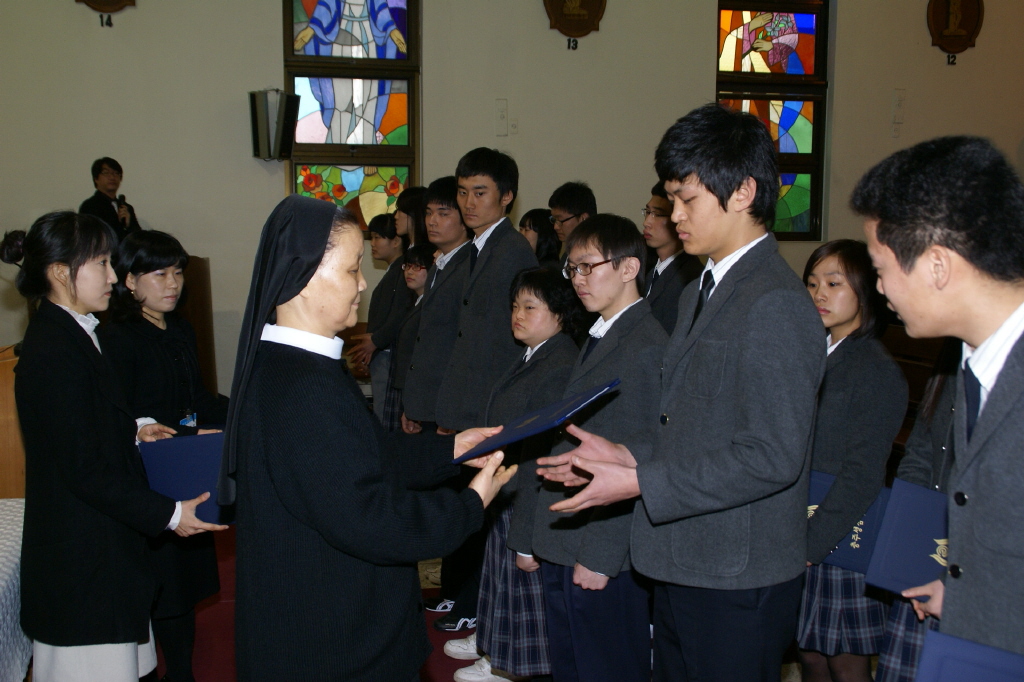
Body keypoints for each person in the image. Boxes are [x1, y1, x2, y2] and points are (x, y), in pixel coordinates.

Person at [537, 104, 825, 681]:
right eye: (670, 198)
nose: (674, 215)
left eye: (686, 199)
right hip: (684, 555)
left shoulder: (774, 303)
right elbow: (685, 424)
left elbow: (772, 456)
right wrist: (623, 455)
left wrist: (641, 481)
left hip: (736, 573)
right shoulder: (702, 290)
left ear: (743, 192)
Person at [219, 194, 517, 681]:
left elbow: (362, 454)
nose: (362, 284)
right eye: (351, 269)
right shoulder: (302, 386)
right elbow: (368, 517)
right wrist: (468, 504)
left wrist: (453, 449)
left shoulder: (296, 363)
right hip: (333, 638)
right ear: (303, 276)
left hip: (319, 617)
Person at [1, 212, 224, 682]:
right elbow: (83, 468)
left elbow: (94, 414)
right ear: (61, 272)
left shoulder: (77, 330)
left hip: (109, 549)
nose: (111, 276)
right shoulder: (52, 352)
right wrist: (169, 514)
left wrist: (138, 425)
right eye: (101, 263)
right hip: (84, 558)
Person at [852, 135, 1024, 657]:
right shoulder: (974, 360)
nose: (879, 290)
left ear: (937, 265)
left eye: (881, 270)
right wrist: (969, 595)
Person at [524, 215, 666, 682]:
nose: (578, 280)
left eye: (588, 267)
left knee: (606, 667)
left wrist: (603, 555)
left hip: (599, 544)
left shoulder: (646, 343)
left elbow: (636, 456)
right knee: (571, 663)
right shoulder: (603, 331)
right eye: (572, 269)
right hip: (571, 531)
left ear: (629, 268)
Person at [100, 229, 229, 682]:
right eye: (159, 274)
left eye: (177, 272)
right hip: (146, 478)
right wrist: (182, 428)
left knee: (186, 585)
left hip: (183, 468)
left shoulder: (179, 327)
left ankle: (182, 673)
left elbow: (197, 399)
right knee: (162, 587)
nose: (172, 283)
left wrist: (245, 411)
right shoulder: (116, 336)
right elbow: (120, 414)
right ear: (129, 281)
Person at [447, 267, 584, 682]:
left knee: (517, 591)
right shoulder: (532, 354)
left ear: (559, 314)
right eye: (514, 306)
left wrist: (525, 517)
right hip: (505, 486)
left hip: (524, 490)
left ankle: (506, 666)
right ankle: (491, 644)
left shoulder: (558, 362)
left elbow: (540, 450)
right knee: (497, 582)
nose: (517, 315)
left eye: (530, 306)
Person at [796, 240, 908, 682]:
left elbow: (864, 472)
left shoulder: (873, 368)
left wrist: (812, 541)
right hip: (805, 520)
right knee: (810, 654)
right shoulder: (817, 351)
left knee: (844, 660)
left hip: (840, 527)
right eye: (812, 283)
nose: (819, 293)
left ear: (865, 289)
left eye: (834, 283)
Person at [435, 147, 539, 432]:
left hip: (489, 404)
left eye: (480, 193)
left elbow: (512, 339)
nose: (468, 203)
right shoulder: (477, 247)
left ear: (506, 197)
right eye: (462, 192)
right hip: (466, 401)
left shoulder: (513, 251)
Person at [874, 338, 959, 682]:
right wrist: (909, 526)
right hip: (925, 550)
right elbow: (921, 449)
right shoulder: (954, 356)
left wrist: (950, 581)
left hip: (966, 567)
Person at [402, 176, 472, 434]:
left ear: (465, 219)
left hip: (449, 407)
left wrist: (453, 411)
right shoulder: (438, 266)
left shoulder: (469, 268)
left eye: (443, 213)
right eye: (429, 213)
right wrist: (413, 404)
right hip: (427, 402)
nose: (432, 221)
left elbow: (463, 345)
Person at [348, 213, 412, 424]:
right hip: (380, 352)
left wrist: (375, 341)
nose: (372, 243)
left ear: (396, 241)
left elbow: (401, 314)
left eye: (377, 237)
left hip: (388, 353)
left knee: (385, 418)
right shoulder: (394, 270)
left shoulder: (404, 270)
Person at [386, 243, 436, 432]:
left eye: (417, 267)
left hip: (417, 390)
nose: (410, 272)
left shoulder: (430, 306)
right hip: (406, 386)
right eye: (407, 266)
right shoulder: (415, 302)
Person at [642, 181, 703, 334]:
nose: (647, 222)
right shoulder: (649, 270)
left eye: (657, 214)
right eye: (648, 212)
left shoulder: (691, 278)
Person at [79, 157, 141, 243]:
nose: (112, 177)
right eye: (106, 173)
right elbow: (93, 238)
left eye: (116, 173)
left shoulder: (127, 208)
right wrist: (118, 224)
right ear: (96, 179)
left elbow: (139, 239)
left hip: (126, 255)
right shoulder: (90, 205)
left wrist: (129, 225)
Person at [548, 181, 597, 253]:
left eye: (560, 220)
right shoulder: (569, 252)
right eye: (554, 220)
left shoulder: (596, 255)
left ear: (583, 218)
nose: (556, 227)